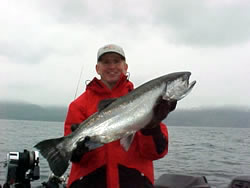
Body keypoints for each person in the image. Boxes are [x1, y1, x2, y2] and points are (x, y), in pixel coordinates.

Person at [64, 44, 177, 188]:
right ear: (97, 68)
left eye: (116, 61)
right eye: (106, 62)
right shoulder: (78, 105)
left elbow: (155, 153)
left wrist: (152, 127)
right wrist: (77, 152)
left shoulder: (145, 101)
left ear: (125, 67)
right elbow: (74, 158)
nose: (112, 66)